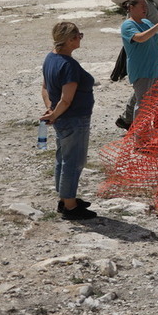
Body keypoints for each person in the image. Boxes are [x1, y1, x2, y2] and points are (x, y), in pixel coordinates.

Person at [41, 21, 97, 220]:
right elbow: (67, 99)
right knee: (74, 161)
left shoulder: (50, 58)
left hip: (62, 118)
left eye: (79, 35)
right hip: (74, 118)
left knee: (63, 158)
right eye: (76, 36)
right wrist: (54, 113)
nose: (79, 39)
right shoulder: (69, 65)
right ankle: (71, 207)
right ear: (67, 40)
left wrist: (50, 110)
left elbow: (45, 88)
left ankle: (65, 199)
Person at [117, 0, 158, 129]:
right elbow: (141, 38)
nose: (145, 9)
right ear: (131, 7)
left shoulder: (147, 22)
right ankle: (140, 138)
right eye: (142, 6)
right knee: (143, 106)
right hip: (142, 71)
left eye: (146, 6)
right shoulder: (127, 25)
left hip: (155, 69)